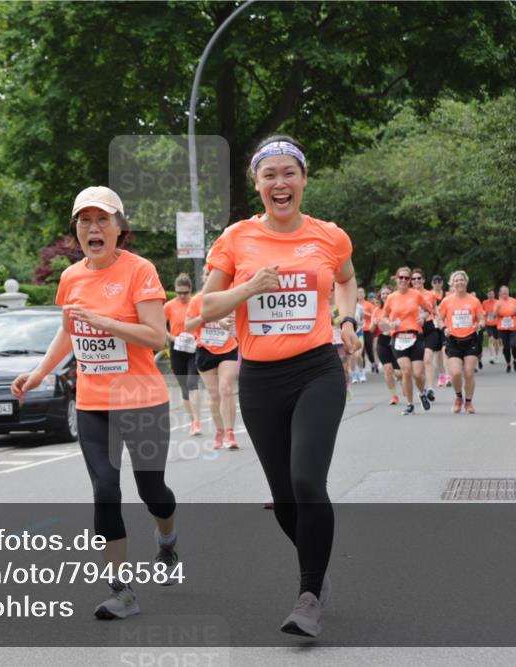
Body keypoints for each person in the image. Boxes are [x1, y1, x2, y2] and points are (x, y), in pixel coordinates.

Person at [200, 135, 359, 637]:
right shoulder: (235, 238)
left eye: (289, 172)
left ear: (304, 179)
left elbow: (348, 279)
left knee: (309, 482)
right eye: (269, 175)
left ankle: (308, 593)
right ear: (257, 184)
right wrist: (248, 287)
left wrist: (348, 320)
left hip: (317, 370)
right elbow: (203, 309)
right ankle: (317, 564)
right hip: (261, 379)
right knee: (284, 499)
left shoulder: (330, 236)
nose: (280, 182)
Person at [12, 186, 179, 620]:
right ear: (76, 231)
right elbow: (67, 333)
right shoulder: (71, 278)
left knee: (152, 492)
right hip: (93, 402)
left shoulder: (140, 271)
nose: (93, 227)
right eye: (84, 220)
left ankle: (167, 539)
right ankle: (122, 590)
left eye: (102, 219)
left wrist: (107, 321)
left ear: (119, 227)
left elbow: (157, 337)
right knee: (105, 489)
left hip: (142, 401)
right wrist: (38, 373)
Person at [185, 267, 240, 450]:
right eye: (207, 274)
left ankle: (230, 432)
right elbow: (188, 326)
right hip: (205, 350)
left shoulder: (229, 295)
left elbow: (236, 318)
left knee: (226, 389)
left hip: (228, 348)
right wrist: (205, 317)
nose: (210, 276)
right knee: (214, 394)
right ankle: (220, 431)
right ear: (203, 277)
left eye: (213, 273)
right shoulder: (196, 300)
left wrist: (227, 322)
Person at [383, 267, 436, 415]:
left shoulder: (416, 294)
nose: (404, 281)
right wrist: (390, 323)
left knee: (418, 374)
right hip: (398, 337)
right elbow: (385, 315)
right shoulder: (391, 297)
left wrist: (423, 318)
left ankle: (422, 392)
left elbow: (428, 309)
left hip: (415, 335)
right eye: (401, 277)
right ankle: (410, 404)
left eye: (407, 278)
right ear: (396, 278)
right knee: (406, 370)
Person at [438, 271, 485, 414]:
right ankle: (459, 397)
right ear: (452, 283)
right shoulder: (447, 301)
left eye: (462, 280)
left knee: (469, 373)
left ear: (466, 282)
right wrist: (444, 327)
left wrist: (480, 325)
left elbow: (482, 318)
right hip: (453, 341)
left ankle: (469, 402)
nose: (459, 282)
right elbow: (439, 319)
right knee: (456, 373)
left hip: (470, 339)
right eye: (456, 280)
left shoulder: (474, 301)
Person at [164, 273, 202, 435]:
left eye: (185, 293)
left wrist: (198, 337)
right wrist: (171, 337)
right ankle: (192, 420)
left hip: (194, 347)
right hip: (177, 348)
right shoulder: (169, 306)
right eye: (179, 292)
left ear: (190, 291)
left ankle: (197, 422)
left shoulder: (196, 303)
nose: (181, 296)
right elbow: (158, 324)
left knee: (192, 383)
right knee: (184, 387)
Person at [372, 286, 399, 405]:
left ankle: (403, 381)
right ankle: (393, 396)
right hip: (382, 341)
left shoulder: (396, 308)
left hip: (396, 340)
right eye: (383, 294)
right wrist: (374, 323)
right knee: (388, 370)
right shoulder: (376, 310)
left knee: (399, 373)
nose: (385, 295)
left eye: (387, 293)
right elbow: (371, 329)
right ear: (380, 296)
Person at [495, 285, 516, 372]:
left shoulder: (514, 300)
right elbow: (494, 315)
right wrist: (497, 310)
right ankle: (508, 364)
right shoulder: (498, 303)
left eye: (506, 292)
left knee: (514, 345)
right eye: (503, 292)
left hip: (513, 325)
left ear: (508, 292)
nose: (504, 294)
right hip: (502, 327)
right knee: (506, 347)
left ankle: (514, 360)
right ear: (500, 293)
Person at [359, 287, 377, 378]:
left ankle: (373, 362)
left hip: (368, 329)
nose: (360, 294)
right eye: (358, 292)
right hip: (358, 330)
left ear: (364, 294)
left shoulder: (369, 304)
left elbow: (375, 315)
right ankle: (362, 369)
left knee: (369, 349)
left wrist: (366, 314)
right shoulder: (354, 305)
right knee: (361, 350)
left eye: (362, 292)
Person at [482, 289, 502, 364]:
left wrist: (495, 313)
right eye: (489, 294)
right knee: (491, 339)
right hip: (488, 324)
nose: (490, 295)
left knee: (496, 341)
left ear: (494, 295)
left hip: (496, 324)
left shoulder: (498, 302)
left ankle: (496, 355)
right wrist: (485, 313)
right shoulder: (484, 302)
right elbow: (482, 311)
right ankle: (492, 356)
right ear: (487, 295)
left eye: (492, 294)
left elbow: (501, 312)